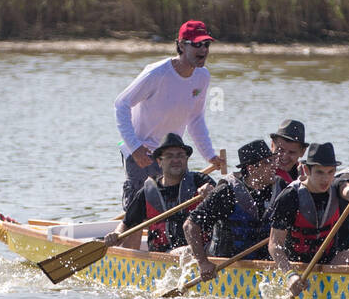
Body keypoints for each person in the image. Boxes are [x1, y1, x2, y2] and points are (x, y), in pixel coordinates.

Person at [114, 19, 225, 208]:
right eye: (197, 44)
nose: (203, 50)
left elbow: (196, 119)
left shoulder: (202, 76)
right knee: (139, 211)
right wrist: (135, 147)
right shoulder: (157, 73)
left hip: (172, 153)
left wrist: (209, 155)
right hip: (143, 152)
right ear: (181, 45)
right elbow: (121, 104)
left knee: (177, 208)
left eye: (206, 44)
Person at [268, 142, 349, 297]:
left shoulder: (336, 187)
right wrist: (290, 275)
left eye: (330, 172)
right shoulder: (290, 197)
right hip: (296, 265)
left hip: (330, 260)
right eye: (320, 172)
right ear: (307, 169)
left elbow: (348, 191)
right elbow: (274, 245)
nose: (326, 179)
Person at [184, 139, 276, 280]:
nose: (273, 166)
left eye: (273, 161)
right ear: (251, 168)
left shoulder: (280, 189)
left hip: (265, 267)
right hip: (224, 266)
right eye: (266, 163)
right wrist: (203, 263)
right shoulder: (226, 192)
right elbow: (190, 226)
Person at [107, 133, 215, 252]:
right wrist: (116, 235)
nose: (176, 160)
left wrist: (213, 194)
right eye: (169, 156)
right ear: (159, 161)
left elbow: (226, 201)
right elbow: (126, 223)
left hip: (201, 251)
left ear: (186, 159)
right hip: (163, 255)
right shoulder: (148, 192)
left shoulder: (201, 181)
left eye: (180, 155)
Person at [269, 120, 307, 199]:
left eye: (292, 152)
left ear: (302, 152)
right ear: (272, 145)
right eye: (280, 150)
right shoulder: (262, 172)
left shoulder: (307, 173)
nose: (284, 157)